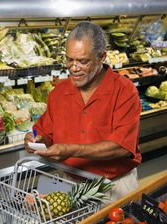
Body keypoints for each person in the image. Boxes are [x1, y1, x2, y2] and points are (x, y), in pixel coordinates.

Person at [24, 21, 142, 203]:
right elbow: (45, 132)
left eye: (83, 61)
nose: (74, 67)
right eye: (69, 59)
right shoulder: (59, 92)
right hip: (71, 183)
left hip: (114, 186)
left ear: (102, 57)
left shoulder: (124, 91)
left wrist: (70, 150)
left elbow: (121, 147)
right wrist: (37, 140)